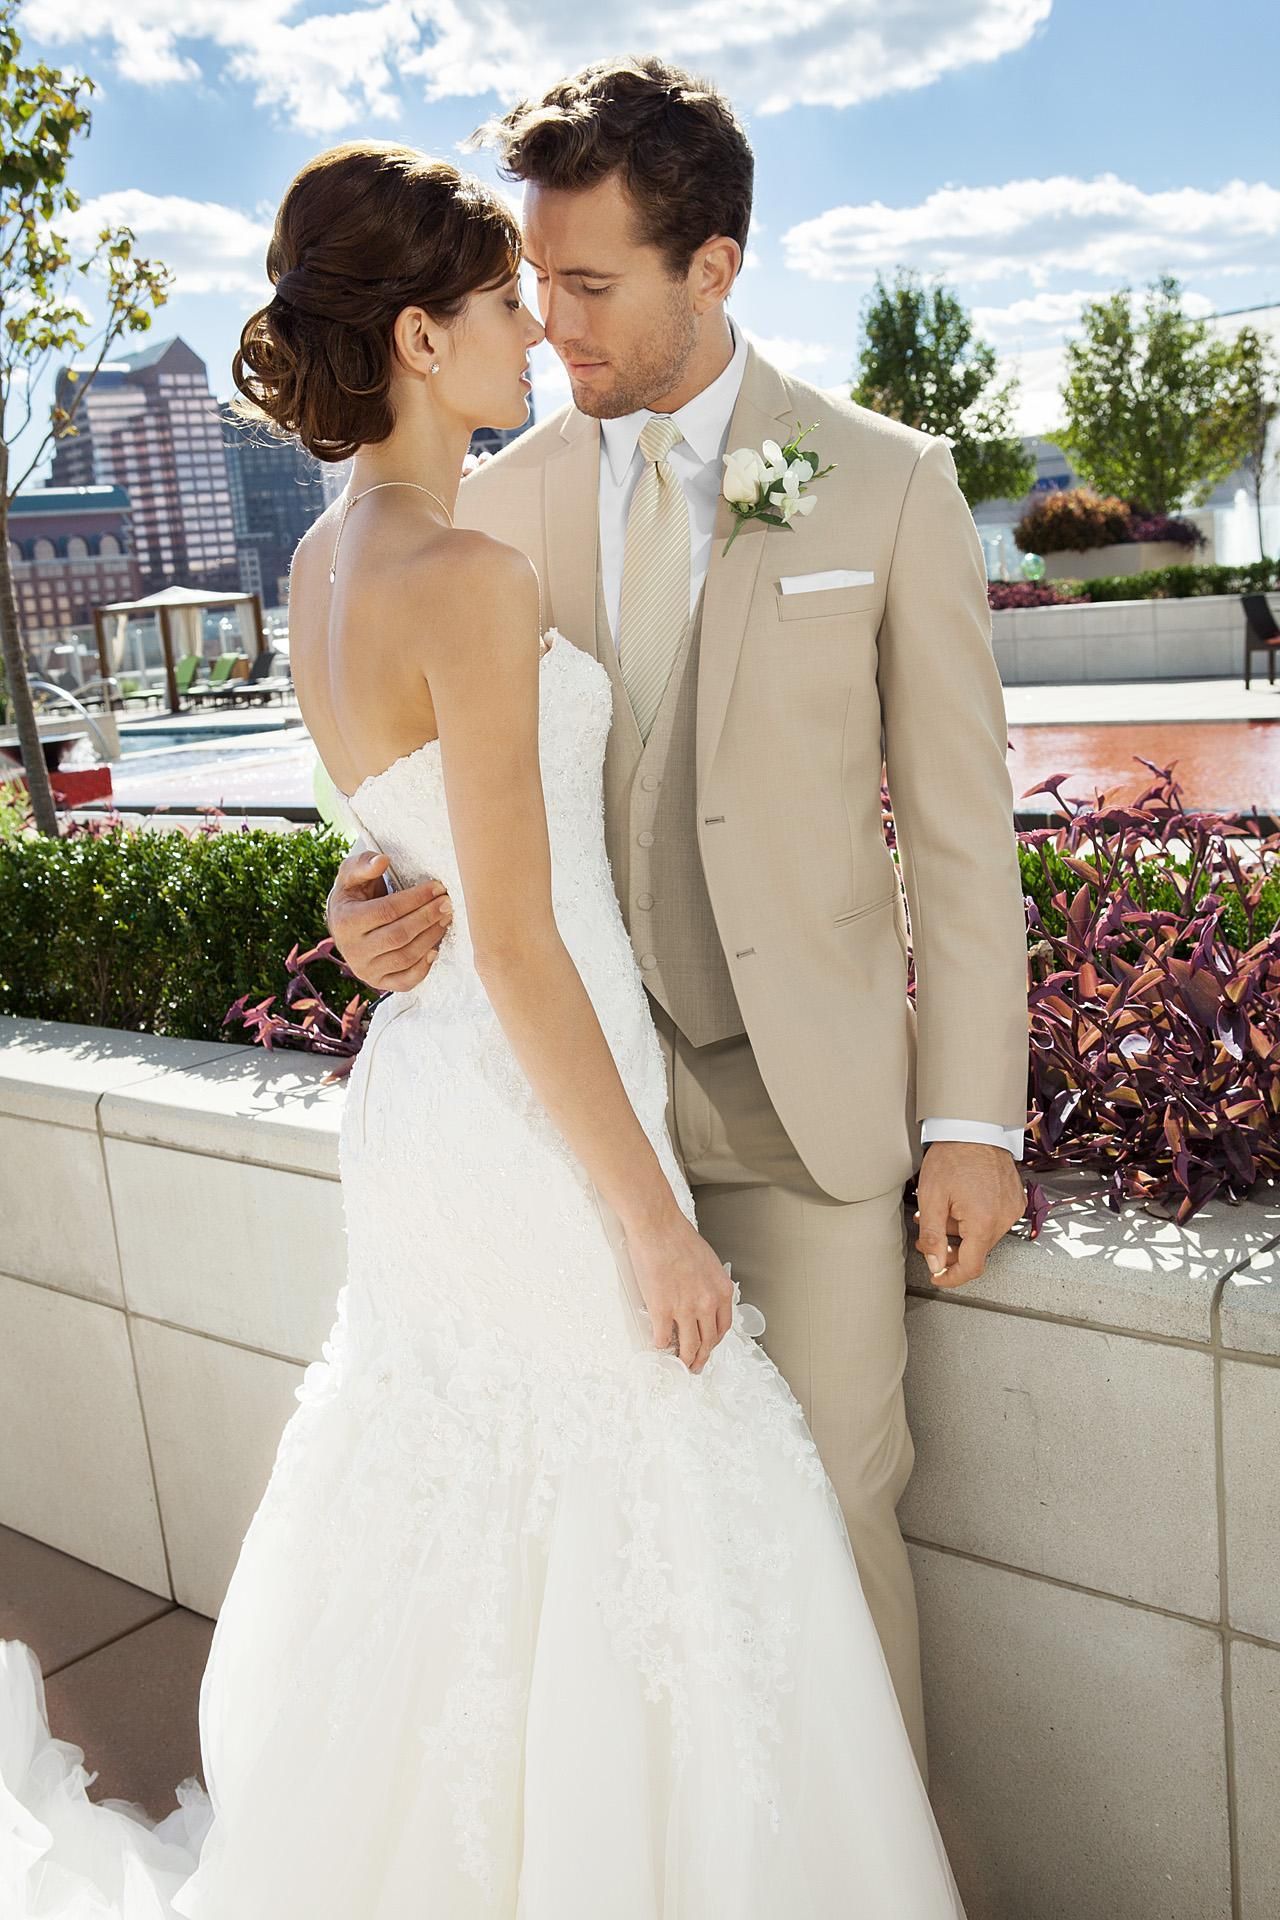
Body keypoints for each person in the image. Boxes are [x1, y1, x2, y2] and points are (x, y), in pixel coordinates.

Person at [0, 129, 972, 1915]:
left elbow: (399, 824)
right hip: (542, 1123)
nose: (536, 328)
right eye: (505, 302)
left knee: (482, 1528)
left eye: (561, 291)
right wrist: (655, 1223)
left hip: (443, 1107)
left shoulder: (322, 562)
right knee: (632, 1524)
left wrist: (360, 895)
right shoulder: (468, 566)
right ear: (422, 341)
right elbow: (515, 943)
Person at [327, 54, 1030, 1782]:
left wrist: (972, 1119)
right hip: (579, 1136)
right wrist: (366, 901)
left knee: (837, 1528)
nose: (550, 321)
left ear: (713, 266)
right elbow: (456, 806)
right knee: (624, 1579)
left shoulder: (885, 482)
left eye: (588, 283)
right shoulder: (495, 504)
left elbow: (960, 834)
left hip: (809, 1124)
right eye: (534, 282)